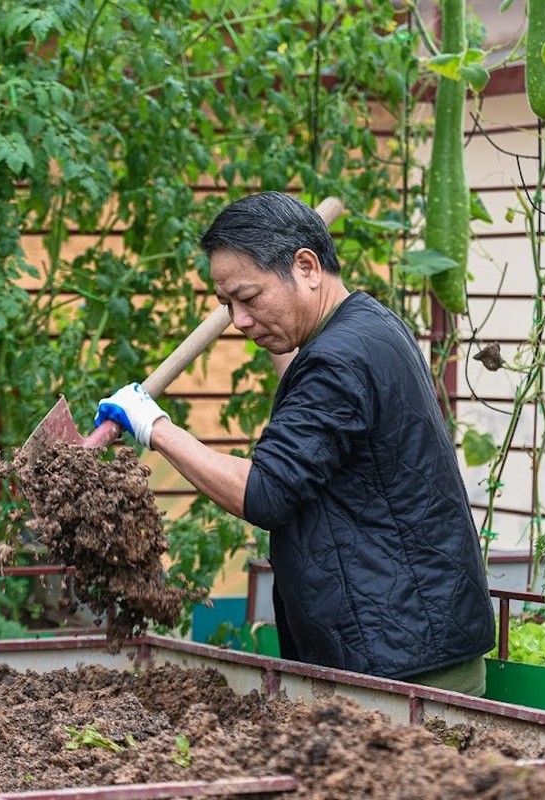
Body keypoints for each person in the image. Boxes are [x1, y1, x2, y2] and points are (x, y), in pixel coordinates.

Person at [95, 191, 496, 696]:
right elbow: (314, 409)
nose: (238, 320)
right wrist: (269, 326)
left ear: (306, 266)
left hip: (402, 669)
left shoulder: (339, 361)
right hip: (412, 640)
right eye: (227, 305)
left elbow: (264, 492)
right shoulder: (368, 327)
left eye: (249, 297)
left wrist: (154, 427)